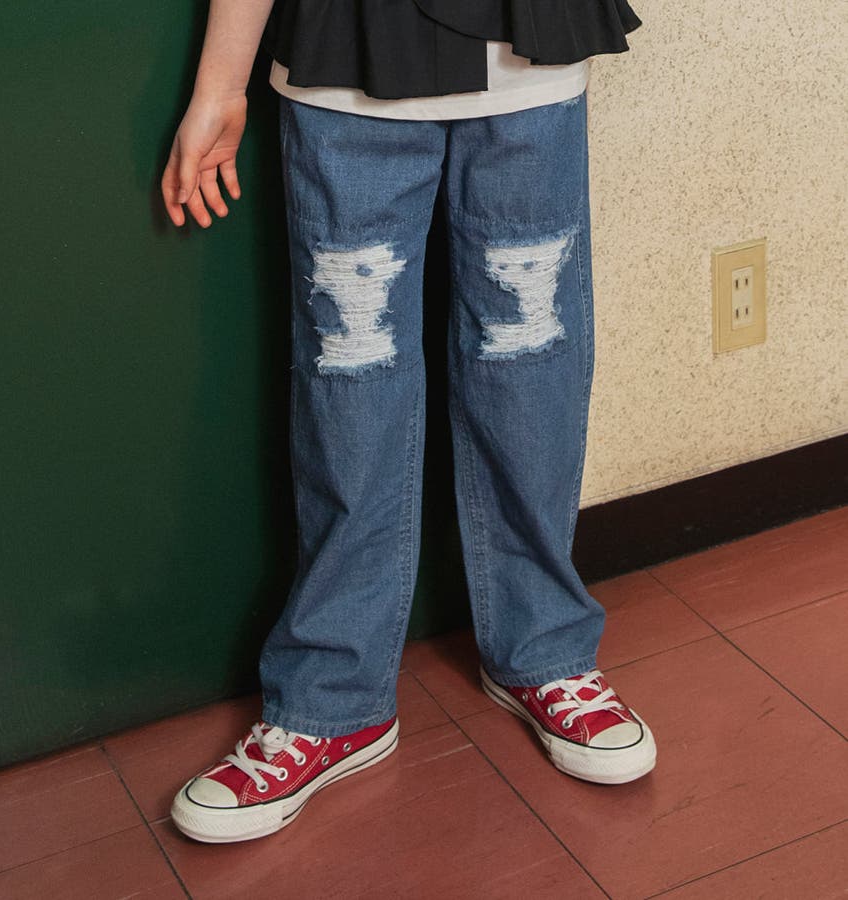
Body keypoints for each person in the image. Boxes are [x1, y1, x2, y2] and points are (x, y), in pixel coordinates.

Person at [161, 0, 654, 845]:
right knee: (350, 392)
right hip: (344, 67)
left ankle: (546, 651)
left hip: (531, 67)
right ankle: (333, 699)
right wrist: (220, 86)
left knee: (530, 374)